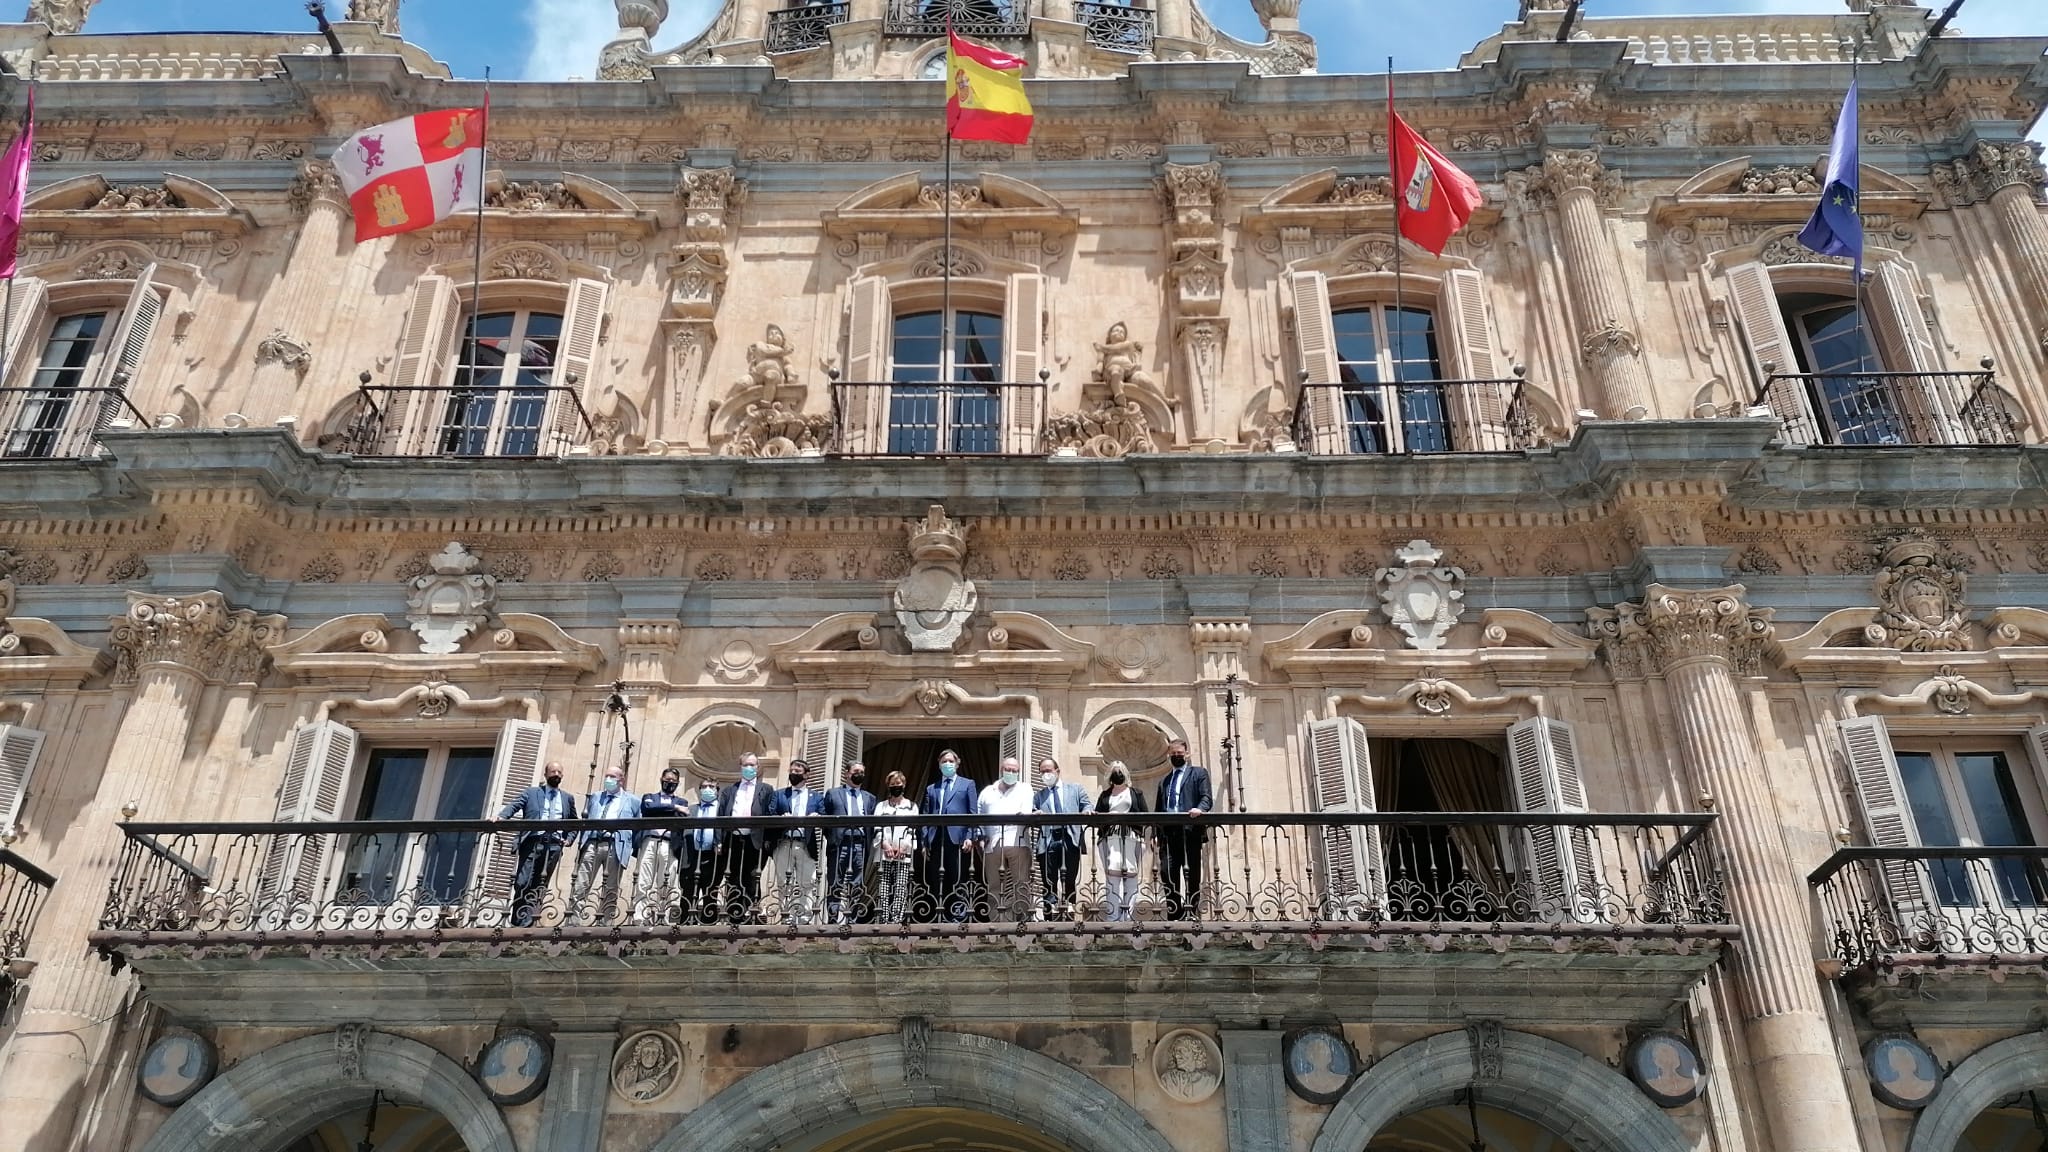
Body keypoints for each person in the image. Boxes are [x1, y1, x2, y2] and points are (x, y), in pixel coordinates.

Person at [496, 760, 577, 927]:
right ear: (545, 774)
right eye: (553, 771)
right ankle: (517, 921)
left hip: (554, 845)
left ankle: (528, 924)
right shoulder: (532, 793)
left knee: (540, 884)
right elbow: (515, 805)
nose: (556, 774)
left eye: (559, 772)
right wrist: (501, 817)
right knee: (523, 881)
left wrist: (569, 839)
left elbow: (574, 822)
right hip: (533, 842)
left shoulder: (567, 798)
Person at [570, 766, 641, 925]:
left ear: (621, 780)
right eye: (607, 776)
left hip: (615, 845)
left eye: (612, 776)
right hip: (592, 843)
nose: (608, 779)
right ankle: (573, 923)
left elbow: (637, 826)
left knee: (610, 889)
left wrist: (630, 846)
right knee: (581, 885)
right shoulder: (596, 797)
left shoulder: (633, 801)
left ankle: (604, 925)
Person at [1154, 738, 1213, 920]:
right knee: (1167, 872)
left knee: (1192, 872)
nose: (1176, 756)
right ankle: (1174, 913)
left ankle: (1191, 912)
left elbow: (1206, 798)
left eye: (1179, 753)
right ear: (1168, 755)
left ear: (1187, 753)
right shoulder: (1164, 781)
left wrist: (1199, 809)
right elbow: (1158, 810)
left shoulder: (1198, 773)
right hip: (1169, 834)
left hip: (1190, 831)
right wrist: (1155, 834)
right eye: (1173, 754)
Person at [717, 753, 775, 923]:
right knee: (733, 878)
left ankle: (752, 915)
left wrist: (768, 842)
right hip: (733, 839)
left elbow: (770, 814)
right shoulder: (729, 791)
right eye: (746, 765)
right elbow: (721, 816)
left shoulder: (766, 789)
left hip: (755, 840)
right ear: (740, 767)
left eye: (752, 765)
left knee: (752, 877)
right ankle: (734, 916)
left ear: (758, 767)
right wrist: (719, 841)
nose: (749, 768)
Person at [922, 749, 977, 923]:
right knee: (937, 879)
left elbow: (973, 813)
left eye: (951, 761)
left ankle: (958, 917)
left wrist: (970, 836)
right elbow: (925, 816)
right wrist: (925, 841)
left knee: (958, 878)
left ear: (957, 763)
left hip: (957, 838)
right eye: (944, 761)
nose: (948, 764)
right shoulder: (931, 788)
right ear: (939, 765)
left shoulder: (967, 784)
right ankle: (940, 916)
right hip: (936, 838)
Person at [978, 757, 1035, 921]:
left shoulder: (1025, 789)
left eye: (1014, 770)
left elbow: (1025, 812)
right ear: (1001, 770)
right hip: (992, 844)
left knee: (1021, 884)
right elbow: (979, 815)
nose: (1011, 772)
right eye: (1008, 769)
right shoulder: (987, 791)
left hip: (1018, 842)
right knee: (994, 886)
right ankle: (996, 922)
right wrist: (980, 836)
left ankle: (1022, 921)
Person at [1034, 757, 1091, 919]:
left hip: (1070, 837)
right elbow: (1032, 810)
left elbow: (1086, 804)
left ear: (1057, 771)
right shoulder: (1039, 796)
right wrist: (1036, 813)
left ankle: (1069, 914)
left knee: (1070, 878)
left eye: (1048, 771)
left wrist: (1086, 811)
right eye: (1042, 772)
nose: (1045, 774)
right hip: (1048, 839)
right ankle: (1049, 918)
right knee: (1048, 880)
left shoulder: (1075, 789)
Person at [822, 762, 878, 924]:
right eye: (856, 771)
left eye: (862, 772)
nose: (859, 774)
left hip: (860, 844)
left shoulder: (869, 798)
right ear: (847, 773)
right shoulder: (833, 794)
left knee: (856, 884)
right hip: (839, 843)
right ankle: (833, 920)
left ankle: (851, 920)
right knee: (835, 882)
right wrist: (833, 838)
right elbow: (825, 819)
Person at [770, 759, 824, 924]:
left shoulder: (816, 797)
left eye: (798, 771)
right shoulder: (779, 794)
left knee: (807, 882)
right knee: (784, 882)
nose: (793, 774)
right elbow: (770, 814)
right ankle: (787, 918)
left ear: (807, 775)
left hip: (806, 844)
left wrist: (817, 817)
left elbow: (824, 814)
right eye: (791, 771)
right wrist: (781, 819)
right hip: (784, 842)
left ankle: (804, 920)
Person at [1096, 762, 1148, 921]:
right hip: (1110, 837)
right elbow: (1098, 814)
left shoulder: (1136, 793)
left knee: (1131, 876)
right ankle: (1113, 917)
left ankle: (1128, 916)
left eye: (1120, 771)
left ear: (1125, 774)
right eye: (1114, 771)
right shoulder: (1105, 795)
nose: (1117, 774)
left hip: (1132, 836)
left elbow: (1145, 815)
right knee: (1112, 877)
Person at [634, 766, 686, 923]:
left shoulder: (682, 801)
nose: (670, 782)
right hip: (650, 841)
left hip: (669, 844)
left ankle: (663, 917)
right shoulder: (650, 797)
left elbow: (681, 817)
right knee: (644, 880)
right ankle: (640, 917)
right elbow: (648, 808)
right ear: (661, 780)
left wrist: (666, 809)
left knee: (666, 882)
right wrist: (674, 808)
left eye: (673, 780)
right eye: (667, 779)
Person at [874, 770, 920, 925]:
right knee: (883, 885)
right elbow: (876, 827)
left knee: (900, 886)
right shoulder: (881, 806)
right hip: (884, 851)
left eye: (898, 784)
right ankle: (883, 919)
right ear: (888, 786)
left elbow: (912, 829)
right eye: (892, 784)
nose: (896, 786)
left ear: (904, 785)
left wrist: (903, 846)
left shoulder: (912, 806)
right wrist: (885, 844)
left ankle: (897, 919)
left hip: (903, 852)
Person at [678, 780, 723, 923]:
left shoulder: (721, 810)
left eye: (711, 787)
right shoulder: (691, 810)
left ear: (717, 791)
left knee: (710, 894)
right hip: (692, 855)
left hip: (713, 856)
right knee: (688, 893)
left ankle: (708, 928)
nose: (707, 789)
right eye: (704, 787)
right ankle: (685, 925)